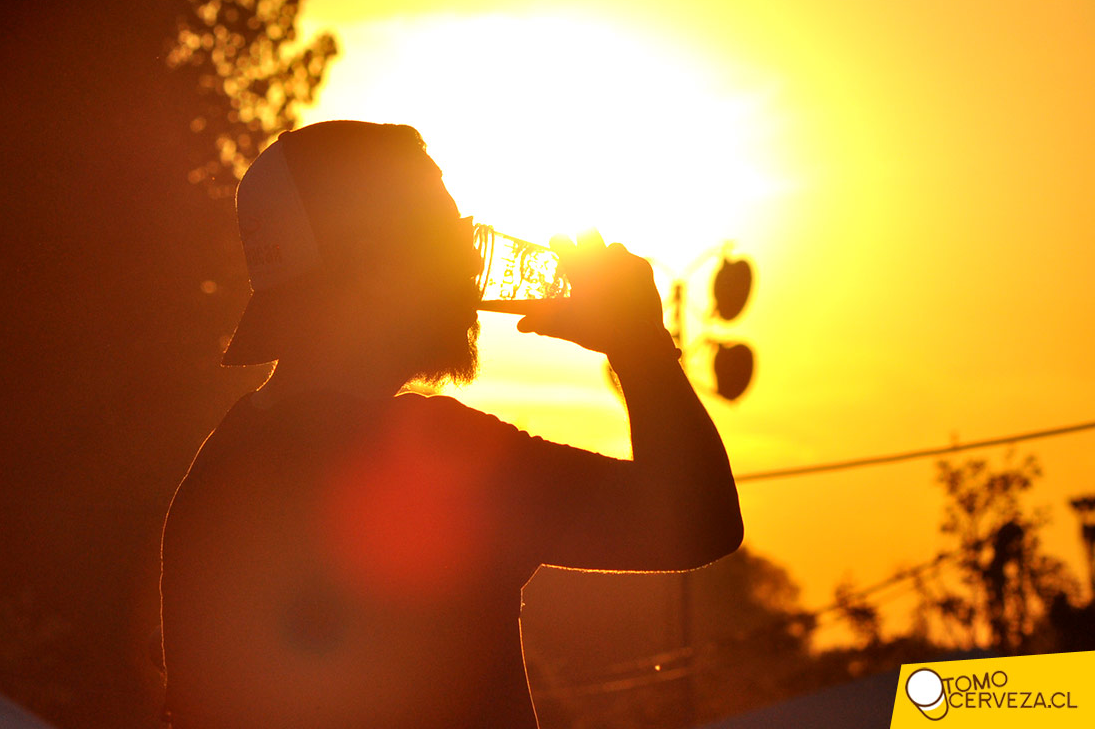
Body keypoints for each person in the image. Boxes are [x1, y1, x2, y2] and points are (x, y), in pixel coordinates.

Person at [159, 120, 743, 728]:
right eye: (445, 232)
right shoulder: (431, 462)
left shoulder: (220, 465)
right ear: (376, 265)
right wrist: (640, 344)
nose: (471, 255)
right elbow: (697, 521)